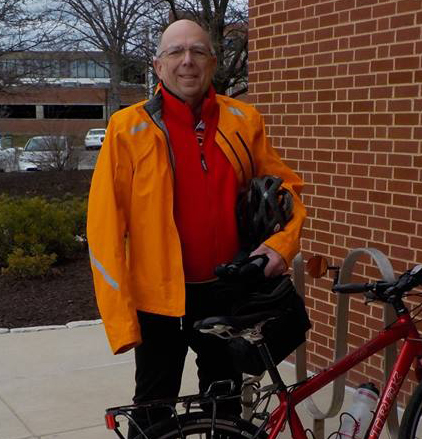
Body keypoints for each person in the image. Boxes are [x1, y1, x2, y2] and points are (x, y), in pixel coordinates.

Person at [87, 19, 306, 437]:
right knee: (153, 412)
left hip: (226, 292)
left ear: (213, 62)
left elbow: (287, 192)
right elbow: (103, 228)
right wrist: (121, 320)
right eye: (175, 52)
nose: (187, 61)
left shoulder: (244, 119)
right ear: (157, 65)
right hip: (158, 302)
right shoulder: (127, 129)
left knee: (224, 407)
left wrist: (281, 246)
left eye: (198, 51)